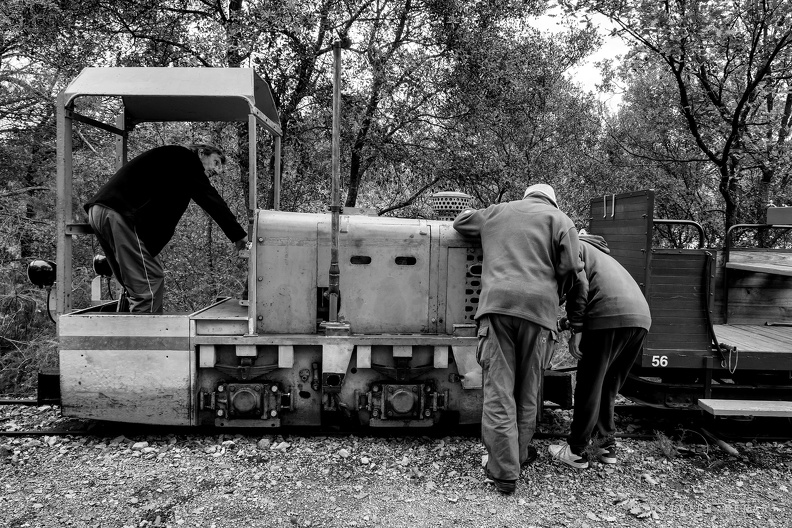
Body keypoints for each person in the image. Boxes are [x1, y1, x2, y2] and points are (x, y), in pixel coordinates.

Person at [453, 183, 582, 495]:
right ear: (551, 200)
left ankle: (504, 473)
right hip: (540, 314)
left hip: (497, 308)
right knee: (527, 391)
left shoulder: (500, 211)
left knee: (499, 390)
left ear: (527, 196)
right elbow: (573, 269)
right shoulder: (562, 221)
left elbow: (461, 223)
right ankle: (519, 457)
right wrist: (556, 299)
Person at [84, 144, 248, 313]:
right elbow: (210, 199)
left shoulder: (172, 162)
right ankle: (144, 337)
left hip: (99, 211)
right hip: (119, 214)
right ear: (201, 153)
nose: (218, 170)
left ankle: (125, 332)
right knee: (149, 283)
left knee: (132, 283)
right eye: (216, 162)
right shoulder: (187, 159)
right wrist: (238, 235)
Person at [548, 231, 652, 469]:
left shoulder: (575, 248)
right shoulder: (604, 256)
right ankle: (606, 447)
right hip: (640, 319)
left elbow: (581, 286)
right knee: (607, 386)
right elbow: (597, 291)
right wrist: (566, 323)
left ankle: (576, 451)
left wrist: (576, 330)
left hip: (606, 317)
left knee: (588, 385)